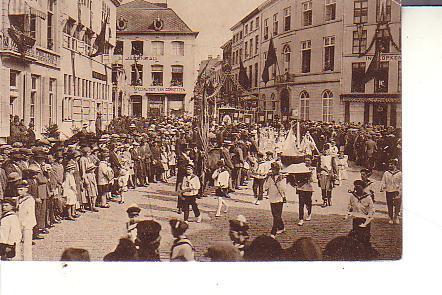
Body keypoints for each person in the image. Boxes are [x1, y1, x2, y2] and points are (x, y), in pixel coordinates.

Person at [345, 180, 375, 246]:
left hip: (365, 218)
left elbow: (371, 208)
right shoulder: (353, 196)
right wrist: (348, 213)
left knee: (365, 235)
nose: (357, 189)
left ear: (363, 188)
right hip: (356, 218)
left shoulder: (368, 197)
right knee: (356, 233)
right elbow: (349, 205)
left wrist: (369, 217)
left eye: (359, 187)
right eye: (356, 187)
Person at [16, 180, 36, 260]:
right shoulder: (18, 199)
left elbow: (29, 213)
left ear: (26, 189)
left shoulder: (30, 199)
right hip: (19, 223)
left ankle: (27, 260)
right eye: (18, 190)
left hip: (27, 224)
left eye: (21, 190)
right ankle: (17, 258)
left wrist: (24, 224)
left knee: (27, 244)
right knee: (17, 242)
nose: (19, 192)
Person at [295, 156, 317, 226]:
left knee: (308, 202)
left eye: (308, 160)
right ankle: (301, 219)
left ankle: (309, 213)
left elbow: (314, 179)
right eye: (305, 160)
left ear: (311, 161)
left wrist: (310, 176)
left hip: (309, 187)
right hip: (301, 187)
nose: (307, 162)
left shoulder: (313, 169)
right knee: (301, 203)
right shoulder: (301, 168)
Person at [266, 162, 286, 238]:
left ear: (277, 170)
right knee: (275, 215)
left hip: (279, 198)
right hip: (272, 198)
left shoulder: (282, 178)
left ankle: (273, 232)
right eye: (272, 170)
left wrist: (279, 181)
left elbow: (283, 189)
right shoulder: (270, 177)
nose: (273, 171)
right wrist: (267, 178)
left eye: (274, 169)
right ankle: (281, 227)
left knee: (277, 216)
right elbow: (266, 187)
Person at [380, 159, 402, 224]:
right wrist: (383, 186)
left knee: (397, 204)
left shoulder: (399, 173)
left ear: (395, 165)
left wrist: (400, 188)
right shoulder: (386, 173)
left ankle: (396, 217)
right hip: (389, 190)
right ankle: (390, 218)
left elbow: (401, 182)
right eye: (389, 164)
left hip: (396, 191)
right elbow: (383, 180)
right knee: (390, 204)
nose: (390, 165)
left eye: (391, 164)